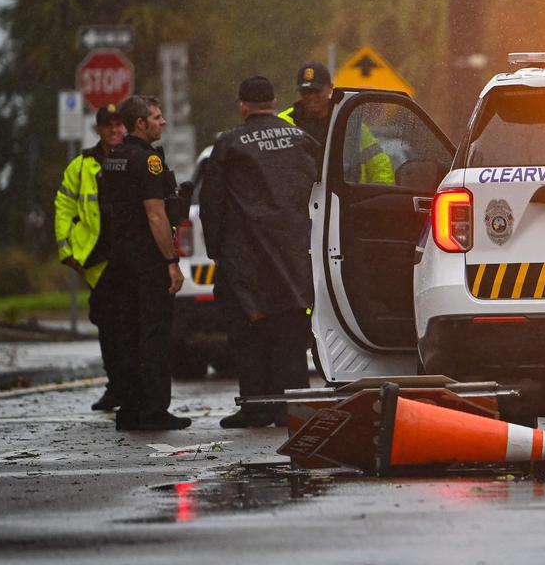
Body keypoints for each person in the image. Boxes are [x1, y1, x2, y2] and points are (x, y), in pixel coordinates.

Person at [201, 76, 319, 428]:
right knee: (291, 330)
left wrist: (216, 251)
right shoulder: (301, 139)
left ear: (242, 106)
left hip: (246, 258)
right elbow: (323, 187)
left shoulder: (229, 144)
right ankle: (292, 408)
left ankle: (255, 406)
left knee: (250, 335)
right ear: (274, 100)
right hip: (296, 253)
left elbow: (212, 201)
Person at [103, 95, 190, 431]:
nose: (162, 122)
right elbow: (155, 215)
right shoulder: (148, 161)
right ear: (140, 123)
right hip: (146, 258)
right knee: (153, 336)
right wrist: (171, 260)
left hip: (120, 259)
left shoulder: (115, 157)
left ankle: (130, 408)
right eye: (156, 117)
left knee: (128, 334)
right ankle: (154, 410)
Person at [54, 104, 127, 411]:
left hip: (131, 258)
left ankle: (133, 388)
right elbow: (64, 208)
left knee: (133, 328)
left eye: (118, 125)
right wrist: (67, 252)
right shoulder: (81, 166)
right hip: (98, 261)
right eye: (107, 125)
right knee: (109, 328)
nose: (113, 130)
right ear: (98, 129)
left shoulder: (135, 157)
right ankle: (116, 387)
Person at [278, 61, 395, 183]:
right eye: (306, 91)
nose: (311, 96)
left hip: (346, 199)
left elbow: (380, 166)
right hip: (299, 199)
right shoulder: (283, 123)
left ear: (330, 88)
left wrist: (374, 198)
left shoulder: (349, 122)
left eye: (316, 90)